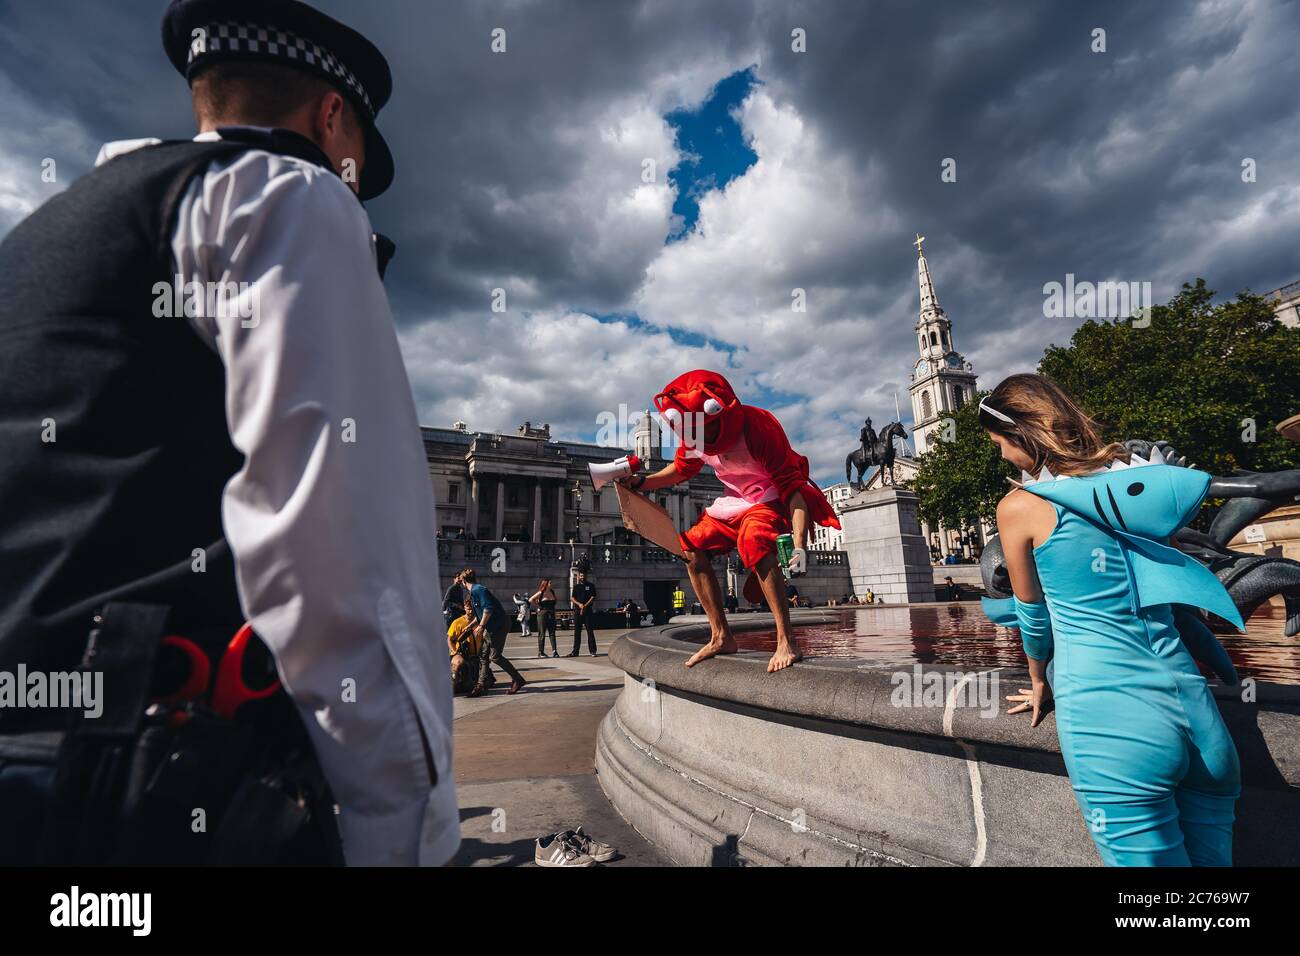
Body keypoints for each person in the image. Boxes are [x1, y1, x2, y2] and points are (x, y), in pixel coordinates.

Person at [0, 0, 457, 866]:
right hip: (154, 784)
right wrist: (406, 838)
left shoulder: (46, 235)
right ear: (332, 117)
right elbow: (340, 559)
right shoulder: (287, 194)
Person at [979, 373, 1243, 866]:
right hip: (1199, 715)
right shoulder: (1139, 491)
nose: (1000, 456)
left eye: (999, 443)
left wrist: (1038, 679)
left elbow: (1032, 619)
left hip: (1114, 720)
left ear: (1024, 434)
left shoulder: (1021, 506)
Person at [625, 370, 840, 672]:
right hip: (734, 501)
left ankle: (786, 639)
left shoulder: (758, 427)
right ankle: (721, 635)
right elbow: (680, 469)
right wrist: (642, 484)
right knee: (689, 549)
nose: (705, 441)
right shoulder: (693, 432)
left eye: (709, 433)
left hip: (769, 498)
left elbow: (793, 489)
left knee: (754, 539)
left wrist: (800, 545)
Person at [463, 570, 525, 697]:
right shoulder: (474, 592)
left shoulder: (478, 590)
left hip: (498, 625)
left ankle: (518, 679)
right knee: (483, 655)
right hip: (491, 626)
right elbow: (481, 614)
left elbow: (488, 608)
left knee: (495, 656)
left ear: (464, 581)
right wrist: (471, 625)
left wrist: (481, 626)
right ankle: (481, 685)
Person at [569, 569, 597, 657]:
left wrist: (585, 605)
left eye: (584, 575)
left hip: (587, 611)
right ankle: (575, 651)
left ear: (586, 576)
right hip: (578, 611)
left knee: (590, 631)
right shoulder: (576, 586)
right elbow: (572, 598)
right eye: (581, 576)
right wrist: (579, 604)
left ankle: (593, 651)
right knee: (577, 632)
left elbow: (593, 596)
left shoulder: (590, 585)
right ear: (578, 576)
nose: (582, 577)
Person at [530, 578, 559, 657]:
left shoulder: (552, 592)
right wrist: (538, 604)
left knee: (552, 633)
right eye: (550, 583)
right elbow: (530, 599)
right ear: (546, 584)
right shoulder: (541, 592)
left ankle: (554, 651)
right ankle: (541, 652)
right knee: (542, 633)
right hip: (542, 613)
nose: (551, 584)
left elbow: (555, 601)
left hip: (551, 613)